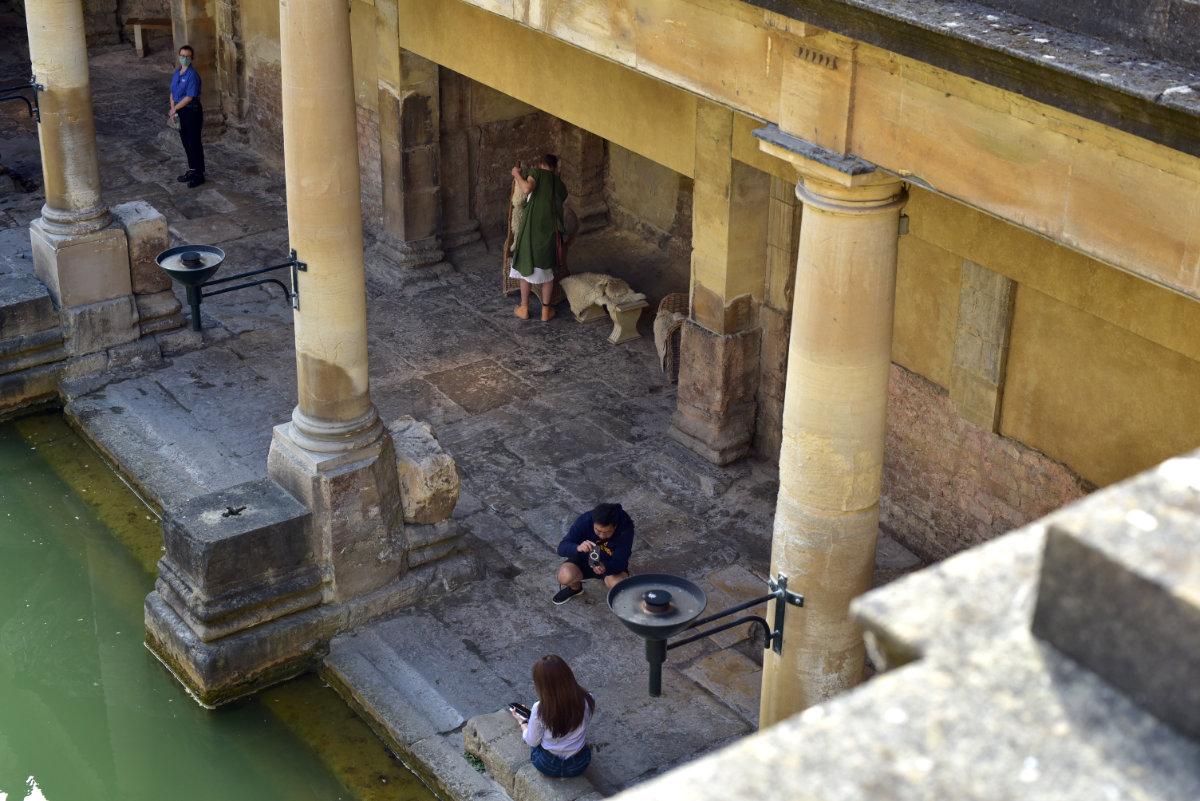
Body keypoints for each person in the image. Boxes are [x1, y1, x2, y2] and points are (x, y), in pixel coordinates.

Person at [510, 655, 595, 778]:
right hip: (580, 763)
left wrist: (522, 722)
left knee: (536, 739)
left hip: (548, 765)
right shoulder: (588, 698)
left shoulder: (539, 708)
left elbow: (532, 741)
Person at [510, 154, 568, 322]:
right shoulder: (559, 184)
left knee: (525, 267)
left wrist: (516, 174)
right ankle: (545, 312)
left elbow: (526, 189)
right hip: (551, 231)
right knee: (547, 270)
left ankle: (524, 308)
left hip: (532, 228)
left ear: (541, 164)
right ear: (554, 167)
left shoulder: (536, 173)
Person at [552, 502, 634, 605]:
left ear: (615, 526)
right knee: (564, 576)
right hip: (584, 559)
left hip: (608, 562)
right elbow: (561, 548)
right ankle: (575, 589)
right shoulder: (585, 520)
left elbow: (621, 562)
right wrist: (577, 547)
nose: (602, 536)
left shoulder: (625, 529)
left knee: (619, 585)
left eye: (607, 532)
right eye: (598, 530)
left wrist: (605, 567)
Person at [168, 45, 205, 188]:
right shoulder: (177, 73)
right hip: (179, 111)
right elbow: (172, 92)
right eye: (182, 56)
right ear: (179, 56)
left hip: (191, 111)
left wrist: (174, 108)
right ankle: (192, 169)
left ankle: (199, 174)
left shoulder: (192, 75)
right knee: (185, 142)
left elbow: (189, 97)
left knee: (194, 142)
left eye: (187, 56)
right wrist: (173, 108)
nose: (184, 58)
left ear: (191, 58)